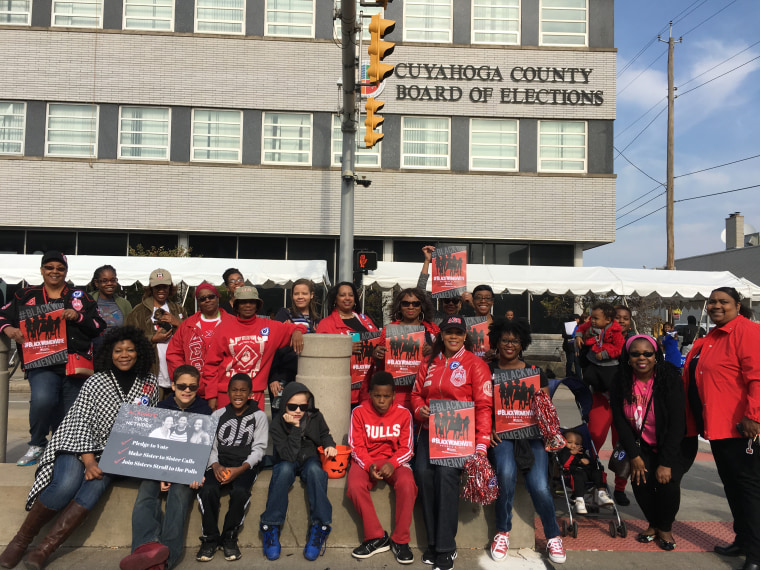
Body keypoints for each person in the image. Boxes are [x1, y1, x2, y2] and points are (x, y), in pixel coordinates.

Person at [0, 326, 157, 569]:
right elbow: (79, 421)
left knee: (95, 487)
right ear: (109, 353)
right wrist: (89, 460)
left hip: (113, 453)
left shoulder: (149, 383)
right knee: (65, 485)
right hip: (76, 443)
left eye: (130, 350)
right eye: (118, 350)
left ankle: (44, 549)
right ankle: (20, 541)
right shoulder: (96, 381)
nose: (124, 354)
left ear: (140, 353)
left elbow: (147, 425)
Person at [0, 251, 106, 467]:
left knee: (69, 414)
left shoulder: (80, 297)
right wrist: (9, 329)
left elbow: (99, 326)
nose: (54, 271)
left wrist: (78, 316)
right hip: (41, 363)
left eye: (60, 268)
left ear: (66, 271)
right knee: (43, 400)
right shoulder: (25, 295)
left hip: (74, 364)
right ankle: (38, 444)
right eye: (49, 267)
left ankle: (60, 450)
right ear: (42, 270)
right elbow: (2, 315)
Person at [683, 287, 760, 569]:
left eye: (723, 301)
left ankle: (756, 553)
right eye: (712, 301)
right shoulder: (711, 337)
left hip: (743, 428)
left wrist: (754, 416)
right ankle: (743, 539)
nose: (716, 305)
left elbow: (758, 378)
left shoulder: (747, 332)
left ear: (738, 305)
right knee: (733, 487)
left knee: (749, 490)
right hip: (718, 427)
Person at [410, 315, 492, 570]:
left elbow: (484, 406)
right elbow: (415, 394)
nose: (453, 337)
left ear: (465, 336)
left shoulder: (475, 364)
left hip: (459, 434)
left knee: (446, 475)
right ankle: (433, 542)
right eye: (448, 332)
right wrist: (420, 409)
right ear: (441, 335)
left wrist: (481, 446)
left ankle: (446, 547)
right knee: (423, 474)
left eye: (458, 332)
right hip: (430, 430)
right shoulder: (429, 362)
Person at [486, 318, 567, 565]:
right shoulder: (487, 370)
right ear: (496, 342)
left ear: (522, 344)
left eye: (515, 340)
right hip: (501, 435)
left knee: (540, 485)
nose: (509, 344)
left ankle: (553, 535)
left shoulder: (534, 373)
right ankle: (502, 531)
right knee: (506, 474)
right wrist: (487, 427)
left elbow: (545, 410)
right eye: (504, 340)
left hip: (531, 436)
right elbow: (481, 404)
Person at [122, 364, 212, 570]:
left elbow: (204, 447)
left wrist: (197, 470)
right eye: (182, 386)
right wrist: (161, 471)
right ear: (173, 385)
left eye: (192, 386)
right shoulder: (161, 409)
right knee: (146, 490)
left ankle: (165, 559)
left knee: (179, 495)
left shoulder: (205, 411)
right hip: (159, 466)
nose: (187, 390)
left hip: (185, 470)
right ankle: (144, 547)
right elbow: (154, 445)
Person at [611, 334, 689, 551]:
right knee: (641, 485)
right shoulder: (620, 380)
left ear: (657, 356)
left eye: (648, 353)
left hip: (671, 443)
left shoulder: (669, 378)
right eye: (635, 354)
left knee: (667, 485)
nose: (641, 358)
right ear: (628, 357)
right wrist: (634, 456)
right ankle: (653, 524)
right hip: (639, 443)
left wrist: (666, 462)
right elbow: (619, 421)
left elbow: (677, 423)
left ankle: (665, 528)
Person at [259, 382, 337, 562]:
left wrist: (329, 445)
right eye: (293, 406)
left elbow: (325, 434)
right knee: (284, 470)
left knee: (316, 472)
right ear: (285, 403)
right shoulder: (278, 423)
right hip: (288, 457)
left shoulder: (315, 417)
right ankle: (270, 526)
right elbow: (287, 455)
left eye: (303, 406)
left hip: (309, 457)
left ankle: (320, 527)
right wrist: (295, 427)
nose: (298, 410)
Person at [196, 373, 268, 562]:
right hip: (219, 463)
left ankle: (229, 538)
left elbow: (259, 449)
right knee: (208, 489)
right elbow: (210, 445)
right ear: (228, 392)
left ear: (250, 393)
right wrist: (216, 465)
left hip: (244, 466)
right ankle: (210, 539)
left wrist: (241, 469)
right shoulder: (218, 414)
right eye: (234, 390)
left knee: (240, 493)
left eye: (243, 390)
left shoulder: (258, 416)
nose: (238, 394)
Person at [347, 372, 416, 564]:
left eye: (386, 396)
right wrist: (369, 465)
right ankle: (376, 537)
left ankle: (400, 540)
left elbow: (407, 448)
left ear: (394, 395)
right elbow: (356, 446)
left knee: (407, 484)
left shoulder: (403, 413)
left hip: (394, 460)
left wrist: (393, 463)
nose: (382, 401)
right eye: (377, 396)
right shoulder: (359, 412)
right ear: (370, 394)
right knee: (354, 486)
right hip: (367, 460)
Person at [200, 286, 305, 410]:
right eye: (243, 302)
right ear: (237, 305)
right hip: (227, 392)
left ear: (257, 305)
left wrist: (297, 332)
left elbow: (298, 327)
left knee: (255, 429)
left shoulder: (270, 327)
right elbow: (210, 366)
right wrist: (212, 396)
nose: (248, 305)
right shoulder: (223, 329)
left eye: (252, 301)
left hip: (255, 393)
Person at [574, 302, 629, 506]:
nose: (621, 320)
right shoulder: (593, 331)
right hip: (601, 399)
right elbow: (582, 358)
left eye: (625, 318)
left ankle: (621, 487)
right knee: (593, 440)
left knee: (622, 445)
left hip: (625, 403)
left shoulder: (633, 343)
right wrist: (580, 339)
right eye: (618, 317)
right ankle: (595, 482)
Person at [371, 287, 439, 410]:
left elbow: (444, 358)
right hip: (397, 394)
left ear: (421, 306)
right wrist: (377, 355)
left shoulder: (433, 329)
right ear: (399, 306)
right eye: (405, 303)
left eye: (416, 303)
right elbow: (381, 366)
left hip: (423, 394)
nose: (410, 307)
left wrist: (433, 352)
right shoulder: (389, 329)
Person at [125, 268, 187, 400]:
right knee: (152, 416)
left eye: (165, 286)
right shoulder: (138, 311)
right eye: (157, 287)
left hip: (175, 373)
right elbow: (127, 340)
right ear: (150, 288)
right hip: (150, 373)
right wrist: (152, 339)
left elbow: (191, 339)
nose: (161, 290)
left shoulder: (179, 310)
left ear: (170, 288)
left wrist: (178, 323)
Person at [316, 281, 379, 406]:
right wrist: (344, 348)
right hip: (343, 391)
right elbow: (319, 352)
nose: (347, 298)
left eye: (350, 295)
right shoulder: (326, 324)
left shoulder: (365, 319)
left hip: (368, 388)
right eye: (342, 295)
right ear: (335, 299)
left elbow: (377, 340)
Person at [166, 282, 230, 379]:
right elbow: (174, 353)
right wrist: (184, 376)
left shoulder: (232, 322)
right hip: (195, 386)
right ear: (198, 302)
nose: (207, 300)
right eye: (202, 299)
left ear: (218, 297)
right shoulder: (187, 325)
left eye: (211, 296)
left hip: (225, 385)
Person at [555, 429, 613, 514]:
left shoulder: (582, 452)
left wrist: (588, 461)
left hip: (587, 472)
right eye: (569, 442)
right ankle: (579, 500)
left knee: (598, 471)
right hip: (572, 474)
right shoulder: (563, 452)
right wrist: (571, 453)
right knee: (578, 475)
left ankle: (602, 494)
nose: (573, 446)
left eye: (577, 444)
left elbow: (592, 463)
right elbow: (563, 464)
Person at [89, 264, 132, 335]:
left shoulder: (125, 304)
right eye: (104, 281)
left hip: (117, 345)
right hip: (94, 345)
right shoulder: (87, 300)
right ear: (97, 283)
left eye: (113, 280)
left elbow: (131, 329)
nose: (109, 283)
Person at [561, 314, 581, 379]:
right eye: (578, 319)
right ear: (575, 319)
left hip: (576, 347)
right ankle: (568, 376)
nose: (579, 320)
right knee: (570, 361)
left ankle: (579, 377)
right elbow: (564, 335)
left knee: (577, 362)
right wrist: (572, 335)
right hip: (569, 347)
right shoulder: (567, 326)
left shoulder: (579, 326)